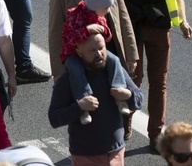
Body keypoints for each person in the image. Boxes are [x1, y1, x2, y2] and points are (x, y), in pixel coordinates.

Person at [109, 0, 192, 150]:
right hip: (130, 29)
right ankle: (125, 123)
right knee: (132, 79)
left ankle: (156, 134)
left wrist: (183, 21)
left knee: (159, 82)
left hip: (158, 28)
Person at [48, 33, 143, 166]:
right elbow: (54, 118)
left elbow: (139, 99)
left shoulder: (115, 71)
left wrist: (128, 95)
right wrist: (79, 107)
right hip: (86, 156)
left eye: (101, 48)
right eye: (92, 50)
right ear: (79, 52)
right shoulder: (68, 79)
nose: (99, 54)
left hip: (116, 152)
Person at [60, 0, 131, 125]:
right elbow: (69, 38)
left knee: (114, 60)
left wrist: (104, 31)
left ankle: (119, 92)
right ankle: (83, 103)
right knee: (76, 69)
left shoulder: (100, 17)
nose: (108, 11)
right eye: (106, 7)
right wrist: (87, 30)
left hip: (95, 51)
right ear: (96, 6)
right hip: (72, 53)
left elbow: (107, 37)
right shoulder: (76, 16)